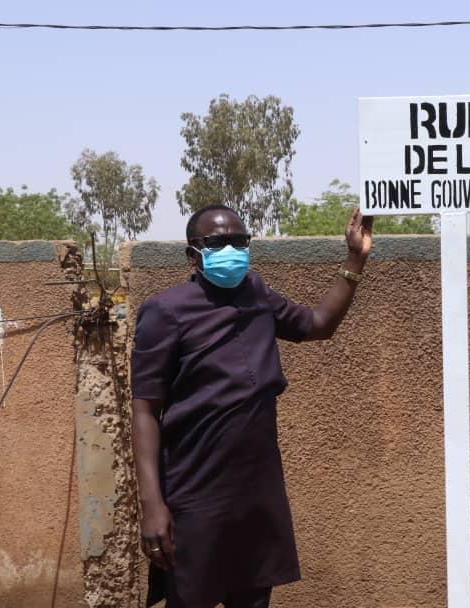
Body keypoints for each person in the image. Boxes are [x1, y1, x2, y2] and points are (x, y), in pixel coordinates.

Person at [130, 204, 373, 608]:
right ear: (193, 255)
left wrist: (354, 258)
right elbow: (144, 410)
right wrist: (152, 504)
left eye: (239, 240)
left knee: (253, 601)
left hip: (256, 492)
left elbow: (318, 325)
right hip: (195, 492)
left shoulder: (256, 293)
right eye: (217, 242)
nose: (231, 248)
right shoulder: (166, 311)